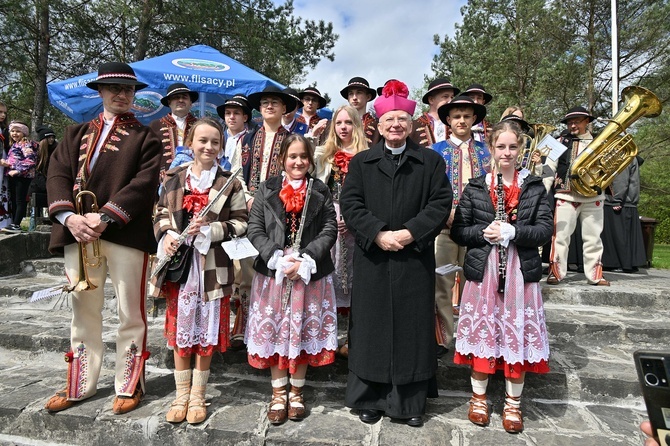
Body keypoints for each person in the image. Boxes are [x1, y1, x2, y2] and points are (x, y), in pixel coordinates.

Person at [44, 62, 162, 414]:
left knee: (131, 312)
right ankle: (79, 385)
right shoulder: (74, 134)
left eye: (127, 89)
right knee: (83, 312)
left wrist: (106, 216)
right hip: (77, 234)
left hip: (126, 234)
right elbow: (57, 175)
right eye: (114, 88)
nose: (122, 95)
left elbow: (144, 184)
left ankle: (129, 384)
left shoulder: (147, 136)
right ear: (100, 91)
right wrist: (69, 218)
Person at [341, 80, 452, 427]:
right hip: (373, 257)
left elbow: (440, 203)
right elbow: (351, 204)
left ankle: (409, 403)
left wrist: (408, 233)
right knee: (371, 328)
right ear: (379, 124)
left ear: (411, 123)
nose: (395, 125)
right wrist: (378, 234)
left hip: (413, 259)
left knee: (411, 329)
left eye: (401, 120)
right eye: (389, 120)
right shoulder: (361, 163)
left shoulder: (430, 162)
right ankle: (370, 398)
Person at [450, 120, 552, 433]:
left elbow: (545, 230)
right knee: (484, 334)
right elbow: (459, 231)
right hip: (484, 271)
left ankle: (513, 403)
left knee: (515, 334)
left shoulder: (535, 186)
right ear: (491, 149)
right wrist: (484, 232)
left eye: (512, 147)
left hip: (520, 272)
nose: (506, 152)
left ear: (520, 150)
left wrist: (515, 231)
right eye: (501, 147)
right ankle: (478, 398)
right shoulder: (477, 186)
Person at [152, 117, 248, 424]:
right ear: (190, 143)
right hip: (180, 268)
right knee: (182, 330)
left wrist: (211, 229)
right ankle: (180, 395)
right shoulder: (174, 178)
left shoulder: (228, 182)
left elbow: (242, 222)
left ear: (221, 147)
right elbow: (160, 212)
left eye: (215, 142)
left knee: (206, 332)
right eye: (202, 140)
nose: (208, 147)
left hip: (212, 268)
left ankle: (197, 395)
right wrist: (167, 234)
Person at [245, 133, 338, 424]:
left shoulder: (320, 190)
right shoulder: (266, 188)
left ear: (310, 160)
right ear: (282, 159)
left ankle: (296, 392)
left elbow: (329, 228)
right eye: (292, 156)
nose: (298, 162)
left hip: (309, 272)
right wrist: (276, 256)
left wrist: (307, 258)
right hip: (275, 273)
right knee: (277, 333)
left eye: (303, 157)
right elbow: (255, 228)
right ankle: (277, 392)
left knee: (298, 333)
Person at [231, 85, 297, 350]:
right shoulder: (245, 140)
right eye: (265, 102)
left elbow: (298, 172)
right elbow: (236, 174)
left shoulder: (292, 140)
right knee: (245, 265)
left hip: (281, 210)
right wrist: (247, 198)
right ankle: (244, 319)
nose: (269, 106)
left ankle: (277, 319)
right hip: (248, 208)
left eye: (275, 103)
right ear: (259, 108)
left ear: (284, 109)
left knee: (277, 262)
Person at [431, 95, 490, 352]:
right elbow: (430, 191)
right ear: (448, 120)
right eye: (457, 116)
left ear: (474, 118)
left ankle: (471, 336)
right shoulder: (435, 152)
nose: (462, 120)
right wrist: (445, 212)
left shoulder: (486, 151)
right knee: (441, 284)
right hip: (444, 228)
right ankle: (445, 337)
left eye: (467, 116)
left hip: (478, 230)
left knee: (475, 283)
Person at [314, 105, 369, 358]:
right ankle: (327, 338)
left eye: (348, 122)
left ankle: (352, 339)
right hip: (328, 220)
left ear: (356, 125)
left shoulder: (366, 156)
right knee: (329, 277)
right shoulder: (324, 154)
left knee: (356, 280)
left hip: (356, 224)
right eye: (339, 123)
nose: (343, 127)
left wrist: (354, 219)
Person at [546, 106, 610, 286]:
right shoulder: (558, 141)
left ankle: (595, 275)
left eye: (577, 121)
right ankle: (556, 273)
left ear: (587, 122)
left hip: (594, 196)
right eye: (570, 122)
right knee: (560, 237)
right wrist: (543, 192)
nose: (572, 125)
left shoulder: (600, 141)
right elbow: (548, 168)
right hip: (566, 195)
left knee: (593, 238)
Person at [602, 156, 647, 272]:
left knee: (619, 235)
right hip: (625, 201)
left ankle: (618, 263)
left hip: (621, 201)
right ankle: (626, 263)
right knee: (624, 235)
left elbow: (620, 179)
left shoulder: (622, 155)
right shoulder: (628, 155)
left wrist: (616, 199)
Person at [149, 83, 199, 180]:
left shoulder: (200, 125)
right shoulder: (155, 125)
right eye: (176, 97)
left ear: (190, 102)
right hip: (163, 181)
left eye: (184, 97)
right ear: (169, 102)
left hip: (194, 178)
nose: (180, 100)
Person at [1, 121, 37, 232]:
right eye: (12, 131)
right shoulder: (15, 144)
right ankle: (14, 223)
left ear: (24, 132)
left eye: (18, 131)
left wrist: (13, 167)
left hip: (22, 176)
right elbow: (16, 158)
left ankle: (16, 224)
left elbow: (31, 160)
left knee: (20, 200)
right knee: (15, 200)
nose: (14, 133)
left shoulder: (25, 143)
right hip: (14, 175)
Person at [410, 77, 460, 147]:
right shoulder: (414, 126)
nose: (450, 101)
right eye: (445, 97)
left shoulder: (456, 124)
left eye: (452, 97)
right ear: (431, 100)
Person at [27, 126, 58, 229]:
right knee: (35, 212)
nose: (52, 140)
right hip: (38, 185)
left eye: (53, 137)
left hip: (51, 185)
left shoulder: (57, 151)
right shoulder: (36, 152)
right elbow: (36, 172)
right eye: (49, 137)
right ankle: (32, 230)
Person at [339, 77, 379, 145]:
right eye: (351, 94)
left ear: (368, 97)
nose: (354, 98)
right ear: (348, 98)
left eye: (359, 93)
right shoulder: (339, 123)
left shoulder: (376, 125)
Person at [217, 94, 251, 171]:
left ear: (245, 118)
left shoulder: (251, 140)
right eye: (228, 113)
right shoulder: (218, 138)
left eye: (236, 113)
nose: (232, 117)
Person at [0, 102, 13, 229]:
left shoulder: (4, 129)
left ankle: (4, 223)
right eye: (0, 112)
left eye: (4, 112)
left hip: (4, 166)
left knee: (4, 192)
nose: (3, 115)